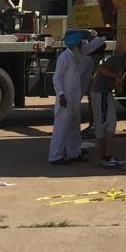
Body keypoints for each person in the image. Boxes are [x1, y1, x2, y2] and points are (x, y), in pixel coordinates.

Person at [89, 46, 126, 168]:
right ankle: (106, 158)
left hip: (105, 93)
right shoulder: (116, 60)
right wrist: (116, 76)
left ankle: (106, 157)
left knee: (108, 123)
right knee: (107, 123)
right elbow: (100, 68)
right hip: (100, 93)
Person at [49, 31, 95, 166]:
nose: (82, 46)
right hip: (65, 98)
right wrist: (61, 94)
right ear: (75, 44)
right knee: (61, 128)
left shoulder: (76, 55)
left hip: (74, 97)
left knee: (74, 127)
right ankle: (55, 156)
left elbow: (91, 47)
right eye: (80, 43)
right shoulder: (64, 57)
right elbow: (56, 78)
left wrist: (101, 38)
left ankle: (74, 153)